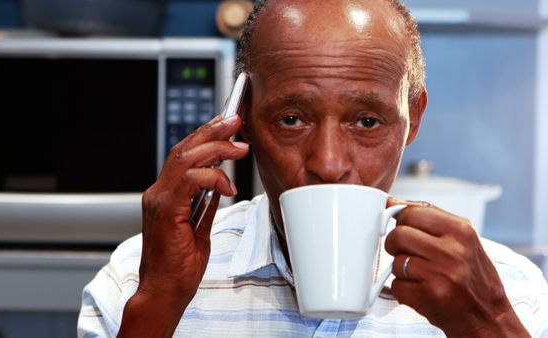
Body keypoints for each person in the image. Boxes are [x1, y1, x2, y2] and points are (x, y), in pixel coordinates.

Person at [78, 0, 548, 337]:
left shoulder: (510, 289)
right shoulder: (136, 279)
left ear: (413, 119)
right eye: (291, 119)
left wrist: (488, 326)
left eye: (366, 121)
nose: (328, 163)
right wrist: (160, 299)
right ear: (243, 122)